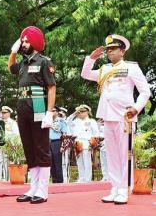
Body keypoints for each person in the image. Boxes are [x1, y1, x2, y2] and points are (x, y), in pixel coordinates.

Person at [81, 34, 151, 204]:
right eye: (108, 50)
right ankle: (114, 187)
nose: (110, 53)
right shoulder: (104, 69)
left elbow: (145, 91)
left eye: (113, 49)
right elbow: (85, 74)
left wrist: (136, 108)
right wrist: (91, 58)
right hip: (107, 115)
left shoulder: (131, 68)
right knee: (111, 154)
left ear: (122, 51)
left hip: (124, 116)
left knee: (124, 154)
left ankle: (124, 190)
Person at [8, 26, 56, 204]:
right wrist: (13, 52)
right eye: (23, 41)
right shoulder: (23, 63)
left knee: (41, 148)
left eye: (27, 41)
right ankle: (33, 188)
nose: (24, 44)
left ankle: (42, 190)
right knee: (29, 149)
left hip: (38, 106)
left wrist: (49, 113)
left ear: (35, 42)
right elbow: (11, 67)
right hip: (23, 107)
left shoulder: (44, 62)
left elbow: (51, 87)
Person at [67, 105, 99, 182]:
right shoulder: (75, 121)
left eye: (82, 111)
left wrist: (93, 144)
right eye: (79, 112)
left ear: (87, 111)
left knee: (87, 161)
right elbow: (67, 121)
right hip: (78, 142)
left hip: (87, 143)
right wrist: (74, 114)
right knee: (79, 161)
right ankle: (81, 178)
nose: (80, 113)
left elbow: (96, 133)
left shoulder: (92, 121)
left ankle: (87, 179)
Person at [49, 106, 69, 183]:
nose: (52, 112)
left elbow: (65, 134)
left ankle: (60, 181)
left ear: (57, 112)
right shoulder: (47, 121)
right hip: (48, 142)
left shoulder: (61, 121)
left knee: (57, 163)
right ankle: (54, 180)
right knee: (51, 163)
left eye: (53, 111)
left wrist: (63, 145)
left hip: (57, 142)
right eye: (51, 111)